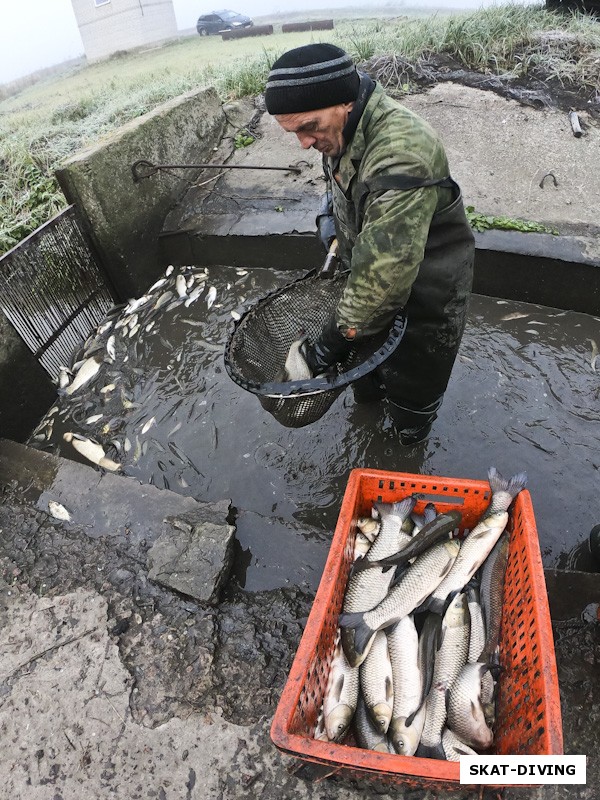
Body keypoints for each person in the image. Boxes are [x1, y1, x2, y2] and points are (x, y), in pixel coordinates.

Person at [264, 43, 475, 445]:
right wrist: (330, 218)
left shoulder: (402, 153)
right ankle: (370, 422)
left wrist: (321, 350)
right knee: (366, 392)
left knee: (411, 410)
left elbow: (383, 283)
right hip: (364, 297)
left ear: (344, 101)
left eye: (309, 128)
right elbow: (340, 180)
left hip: (423, 304)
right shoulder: (341, 126)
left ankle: (406, 442)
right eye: (294, 133)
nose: (304, 144)